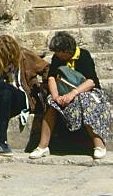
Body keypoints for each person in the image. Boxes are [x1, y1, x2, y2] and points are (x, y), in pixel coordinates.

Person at [29, 30, 111, 161]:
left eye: (58, 52)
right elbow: (51, 78)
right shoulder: (57, 59)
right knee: (51, 103)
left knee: (84, 101)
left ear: (66, 51)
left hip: (85, 92)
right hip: (63, 93)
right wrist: (56, 96)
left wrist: (73, 94)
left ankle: (99, 145)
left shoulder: (83, 55)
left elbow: (91, 81)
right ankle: (43, 146)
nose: (56, 55)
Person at [0, 35, 48, 156]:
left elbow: (46, 68)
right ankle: (2, 143)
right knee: (4, 92)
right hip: (4, 100)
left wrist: (43, 86)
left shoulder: (25, 55)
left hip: (23, 98)